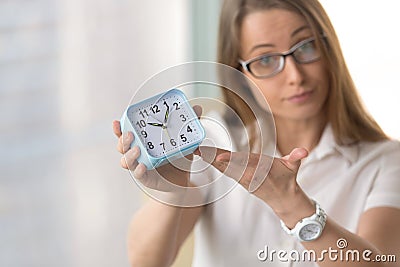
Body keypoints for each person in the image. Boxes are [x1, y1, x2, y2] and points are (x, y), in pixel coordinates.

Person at [112, 0, 400, 266]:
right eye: (265, 60)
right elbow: (146, 262)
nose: (295, 76)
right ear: (240, 74)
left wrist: (293, 206)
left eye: (306, 47)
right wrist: (175, 192)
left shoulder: (388, 161)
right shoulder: (212, 142)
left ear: (329, 49)